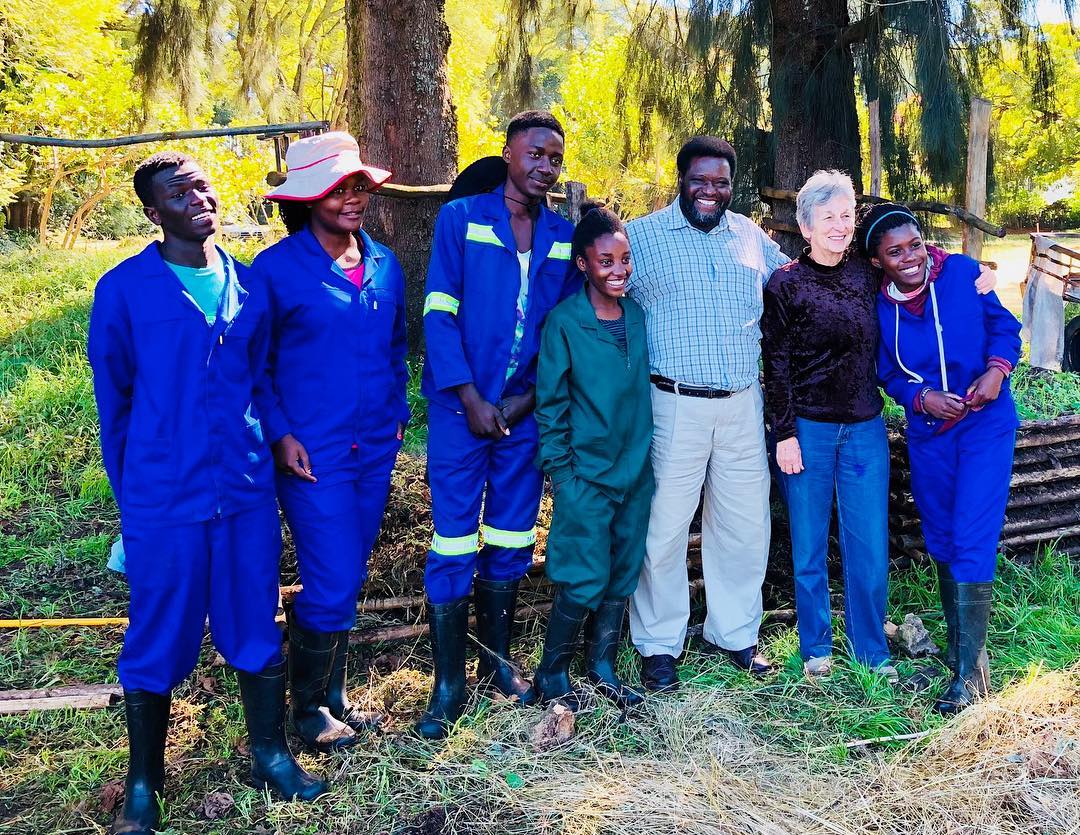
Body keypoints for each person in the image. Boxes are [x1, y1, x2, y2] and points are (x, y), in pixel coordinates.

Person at [88, 152, 324, 835]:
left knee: (255, 622)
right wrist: (133, 504)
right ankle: (143, 782)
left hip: (245, 491)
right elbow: (118, 405)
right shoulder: (125, 291)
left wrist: (277, 436)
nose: (200, 196)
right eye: (179, 191)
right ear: (153, 211)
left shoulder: (248, 288)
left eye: (203, 185)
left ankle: (270, 753)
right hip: (164, 497)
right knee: (158, 636)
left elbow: (259, 380)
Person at [418, 111, 579, 738]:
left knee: (512, 537)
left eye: (554, 158)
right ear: (508, 153)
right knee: (455, 538)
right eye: (535, 153)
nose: (544, 166)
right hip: (462, 412)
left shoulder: (561, 235)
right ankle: (448, 684)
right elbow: (438, 309)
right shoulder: (462, 219)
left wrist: (520, 404)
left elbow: (562, 331)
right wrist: (469, 397)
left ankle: (497, 665)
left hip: (522, 413)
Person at [252, 132, 407, 751]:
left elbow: (397, 347)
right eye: (338, 188)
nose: (353, 197)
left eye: (359, 186)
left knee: (347, 566)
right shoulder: (275, 271)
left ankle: (331, 695)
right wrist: (280, 432)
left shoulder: (385, 263)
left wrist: (395, 416)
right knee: (335, 570)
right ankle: (307, 711)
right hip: (310, 453)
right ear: (306, 197)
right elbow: (255, 366)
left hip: (372, 447)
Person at [625, 137, 787, 690]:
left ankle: (735, 633)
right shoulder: (642, 238)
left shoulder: (750, 236)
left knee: (744, 526)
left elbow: (796, 285)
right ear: (681, 179)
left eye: (721, 182)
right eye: (701, 180)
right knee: (663, 528)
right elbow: (601, 290)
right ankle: (658, 643)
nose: (711, 192)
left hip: (743, 403)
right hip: (672, 404)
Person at [859, 203, 1020, 714]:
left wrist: (996, 372)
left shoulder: (966, 275)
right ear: (879, 261)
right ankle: (960, 652)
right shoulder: (880, 307)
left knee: (973, 533)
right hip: (931, 434)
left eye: (913, 245)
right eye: (894, 252)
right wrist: (921, 397)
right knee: (942, 536)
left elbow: (1006, 329)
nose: (909, 258)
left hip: (983, 425)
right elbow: (888, 372)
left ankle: (971, 678)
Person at [761, 171, 894, 680]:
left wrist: (977, 272)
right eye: (828, 217)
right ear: (805, 225)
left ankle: (872, 651)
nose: (840, 226)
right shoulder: (785, 284)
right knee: (810, 544)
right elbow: (776, 363)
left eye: (846, 215)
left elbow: (921, 266)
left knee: (869, 546)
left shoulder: (867, 274)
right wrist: (784, 433)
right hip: (808, 432)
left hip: (864, 429)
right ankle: (816, 648)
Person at [530, 203, 653, 710]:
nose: (618, 270)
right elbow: (550, 405)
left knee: (622, 571)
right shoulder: (565, 322)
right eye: (606, 261)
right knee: (584, 575)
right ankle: (552, 669)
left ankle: (601, 665)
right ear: (583, 263)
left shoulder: (638, 316)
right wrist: (564, 477)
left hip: (636, 471)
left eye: (624, 259)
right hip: (586, 475)